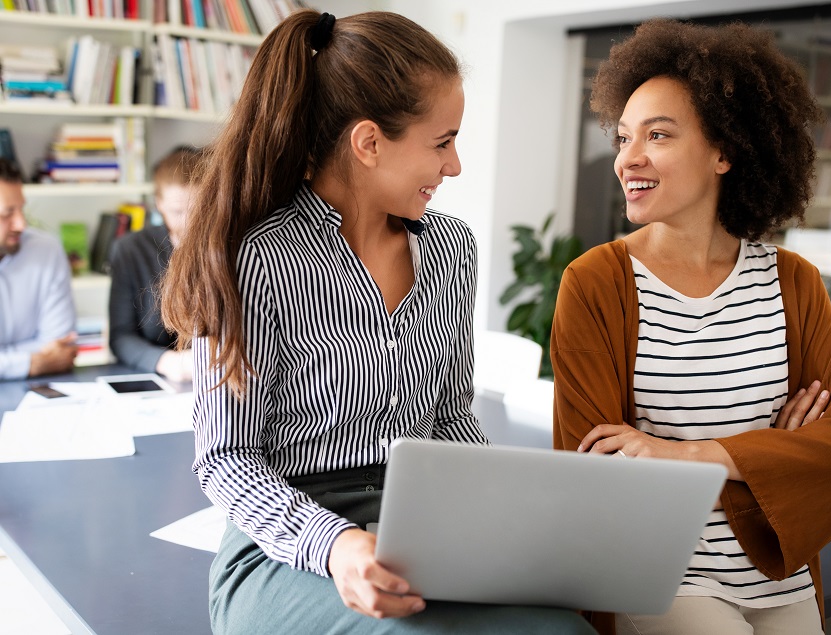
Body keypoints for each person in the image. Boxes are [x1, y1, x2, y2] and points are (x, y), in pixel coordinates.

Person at [160, 10, 595, 635]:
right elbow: (227, 460)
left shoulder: (451, 248)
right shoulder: (254, 258)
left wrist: (505, 513)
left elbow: (449, 416)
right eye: (442, 142)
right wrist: (338, 546)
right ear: (369, 143)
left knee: (565, 629)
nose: (455, 166)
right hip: (293, 541)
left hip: (423, 521)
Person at [550, 19, 831, 635]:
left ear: (725, 151)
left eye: (659, 135)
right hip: (660, 572)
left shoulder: (793, 281)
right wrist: (775, 452)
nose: (627, 158)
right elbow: (595, 469)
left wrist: (683, 453)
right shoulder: (597, 284)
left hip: (781, 570)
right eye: (624, 138)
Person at [108, 145, 200, 381]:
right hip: (158, 379)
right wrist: (168, 363)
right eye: (178, 212)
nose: (190, 223)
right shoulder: (130, 250)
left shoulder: (235, 247)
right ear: (159, 204)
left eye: (198, 210)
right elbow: (120, 336)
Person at [0, 158, 77, 380]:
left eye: (21, 209)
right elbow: (47, 355)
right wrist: (31, 362)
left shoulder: (46, 250)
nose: (21, 224)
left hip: (37, 391)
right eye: (7, 213)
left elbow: (60, 346)